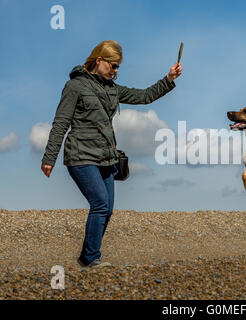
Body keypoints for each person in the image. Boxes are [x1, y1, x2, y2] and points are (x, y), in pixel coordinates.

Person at [41, 40, 182, 268]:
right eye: (113, 66)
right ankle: (91, 259)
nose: (116, 71)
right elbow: (60, 123)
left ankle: (87, 256)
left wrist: (168, 79)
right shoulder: (75, 86)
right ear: (99, 60)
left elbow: (144, 96)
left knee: (107, 210)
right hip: (81, 155)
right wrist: (49, 157)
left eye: (118, 67)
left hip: (106, 157)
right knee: (100, 204)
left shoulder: (112, 89)